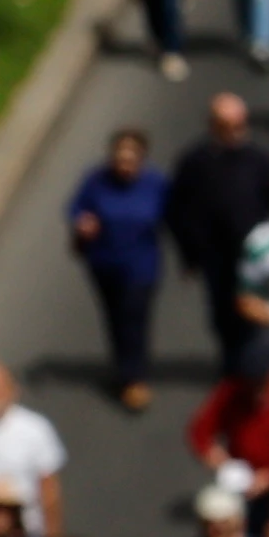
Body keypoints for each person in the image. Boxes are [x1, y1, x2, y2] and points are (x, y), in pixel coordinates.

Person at [67, 126, 175, 410]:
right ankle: (122, 367)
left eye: (130, 159)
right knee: (114, 318)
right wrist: (83, 222)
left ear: (142, 158)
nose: (124, 165)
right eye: (119, 158)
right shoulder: (96, 180)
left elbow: (175, 217)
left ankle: (134, 379)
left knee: (134, 318)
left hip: (141, 266)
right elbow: (76, 208)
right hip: (104, 263)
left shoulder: (156, 184)